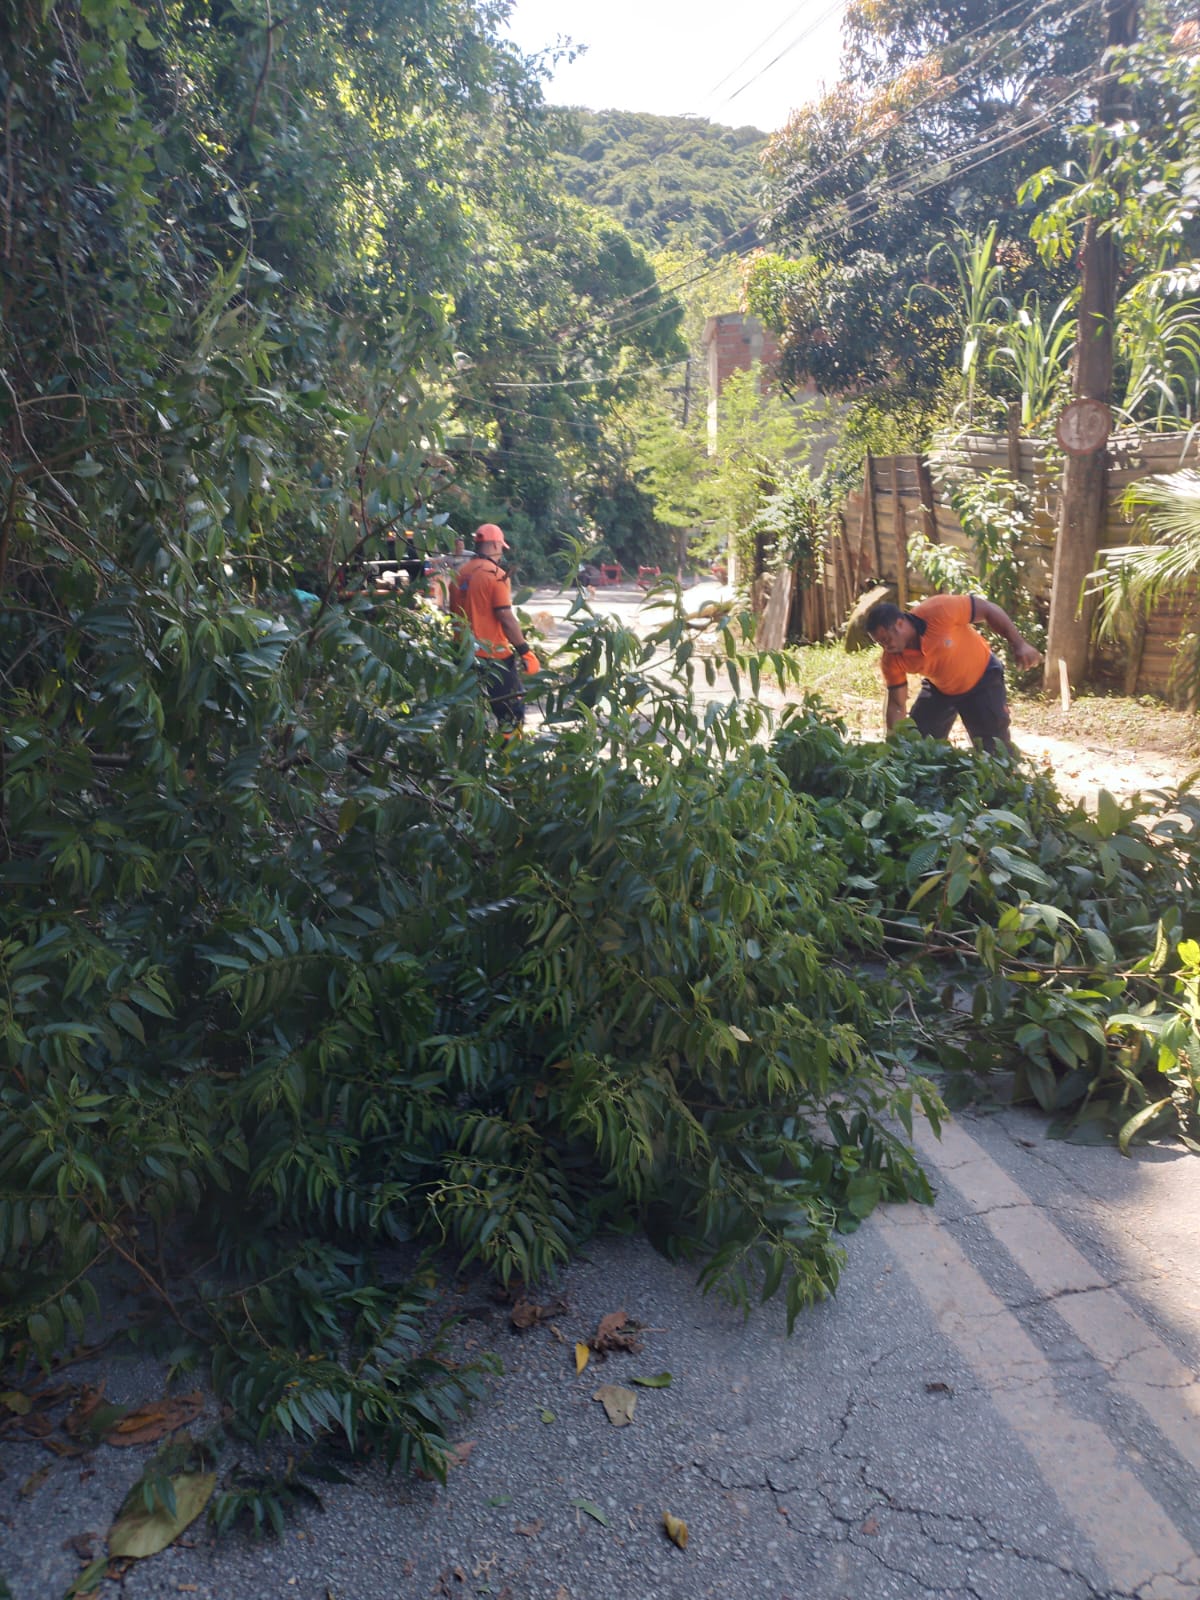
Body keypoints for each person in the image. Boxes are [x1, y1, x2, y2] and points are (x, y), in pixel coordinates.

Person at [865, 594, 1043, 753]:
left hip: (983, 678)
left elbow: (988, 609)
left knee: (994, 750)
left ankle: (1007, 783)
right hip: (941, 689)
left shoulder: (939, 610)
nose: (885, 647)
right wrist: (894, 743)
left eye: (886, 639)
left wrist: (1019, 644)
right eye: (880, 643)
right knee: (917, 745)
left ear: (900, 623)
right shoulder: (892, 659)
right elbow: (896, 703)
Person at [447, 523, 536, 732]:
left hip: (463, 656)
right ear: (496, 544)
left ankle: (474, 756)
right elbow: (505, 616)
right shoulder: (495, 575)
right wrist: (525, 651)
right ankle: (508, 760)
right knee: (511, 713)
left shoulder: (458, 575)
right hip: (494, 657)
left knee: (471, 714)